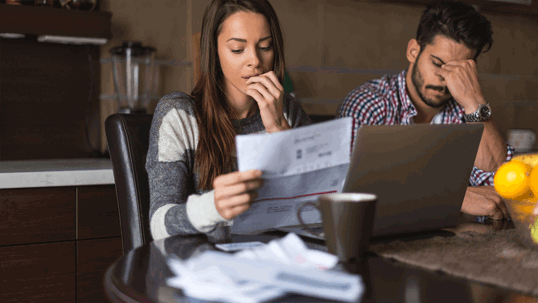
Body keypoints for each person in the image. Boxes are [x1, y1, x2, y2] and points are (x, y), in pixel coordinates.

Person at [146, 0, 311, 242]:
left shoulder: (288, 112)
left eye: (265, 47)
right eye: (237, 49)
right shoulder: (179, 115)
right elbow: (159, 224)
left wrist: (279, 129)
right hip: (204, 265)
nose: (254, 60)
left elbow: (315, 209)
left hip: (276, 259)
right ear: (214, 52)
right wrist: (213, 208)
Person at [337, 1, 514, 220]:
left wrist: (474, 101)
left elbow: (505, 188)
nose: (444, 78)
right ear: (413, 51)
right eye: (437, 63)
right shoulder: (369, 104)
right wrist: (454, 197)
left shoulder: (466, 111)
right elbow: (349, 198)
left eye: (457, 71)